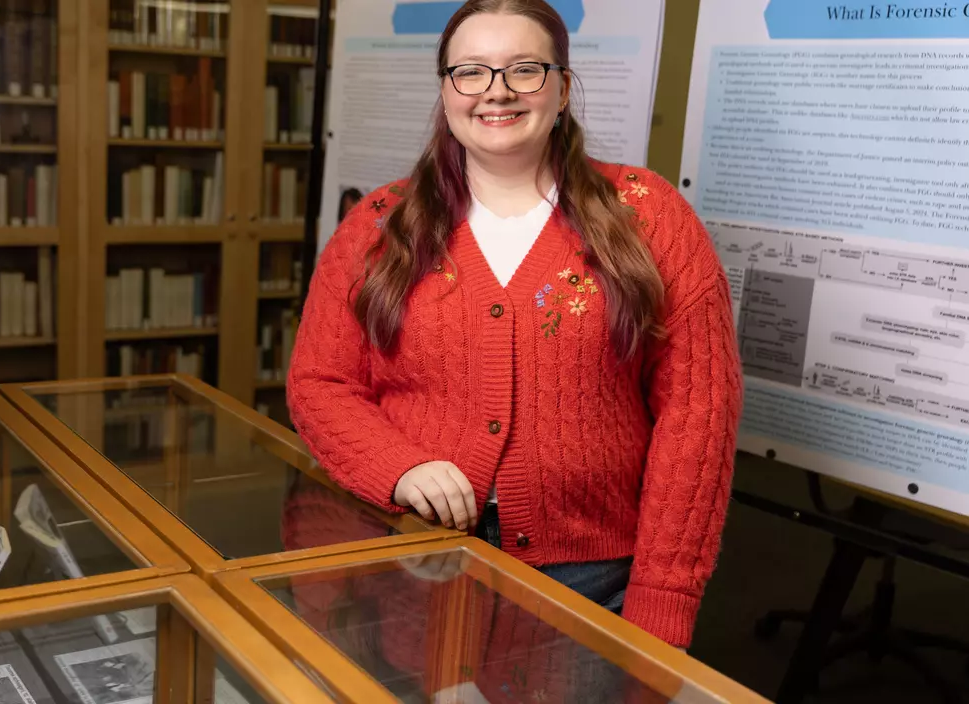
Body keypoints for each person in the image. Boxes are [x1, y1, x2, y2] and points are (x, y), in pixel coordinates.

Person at [286, 0, 743, 650]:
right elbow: (319, 382)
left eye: (524, 69)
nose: (495, 91)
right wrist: (397, 467)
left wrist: (662, 600)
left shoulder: (650, 217)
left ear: (563, 88)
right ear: (446, 89)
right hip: (416, 556)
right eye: (470, 71)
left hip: (590, 581)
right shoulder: (379, 226)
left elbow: (698, 418)